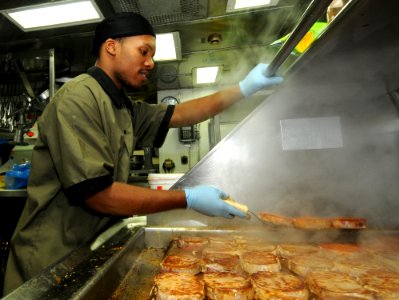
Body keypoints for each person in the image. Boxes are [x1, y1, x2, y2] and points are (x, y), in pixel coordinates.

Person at [2, 12, 282, 296]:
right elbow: (98, 194)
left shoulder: (121, 106)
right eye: (143, 51)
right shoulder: (78, 98)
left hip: (85, 250)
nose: (150, 63)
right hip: (49, 261)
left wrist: (244, 89)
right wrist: (187, 199)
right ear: (112, 46)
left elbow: (182, 113)